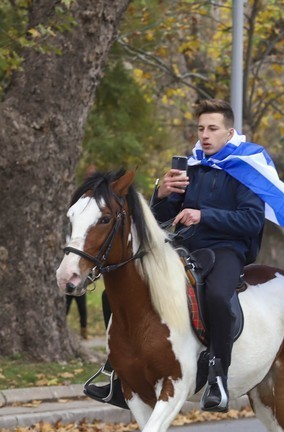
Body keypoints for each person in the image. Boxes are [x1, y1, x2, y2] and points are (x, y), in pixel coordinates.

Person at [84, 99, 265, 412]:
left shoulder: (247, 167)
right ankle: (117, 368)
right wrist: (163, 194)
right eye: (200, 129)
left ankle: (218, 376)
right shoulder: (191, 165)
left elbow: (252, 219)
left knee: (218, 297)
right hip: (184, 246)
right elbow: (159, 217)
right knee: (118, 291)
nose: (205, 135)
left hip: (227, 249)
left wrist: (202, 215)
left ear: (229, 132)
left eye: (212, 129)